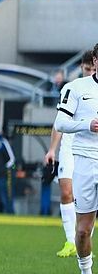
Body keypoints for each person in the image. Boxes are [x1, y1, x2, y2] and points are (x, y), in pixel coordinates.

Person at [45, 50, 96, 258]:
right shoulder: (74, 89)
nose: (90, 71)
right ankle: (70, 240)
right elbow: (59, 124)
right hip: (71, 147)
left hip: (91, 149)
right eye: (88, 69)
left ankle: (83, 242)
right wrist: (52, 149)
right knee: (67, 192)